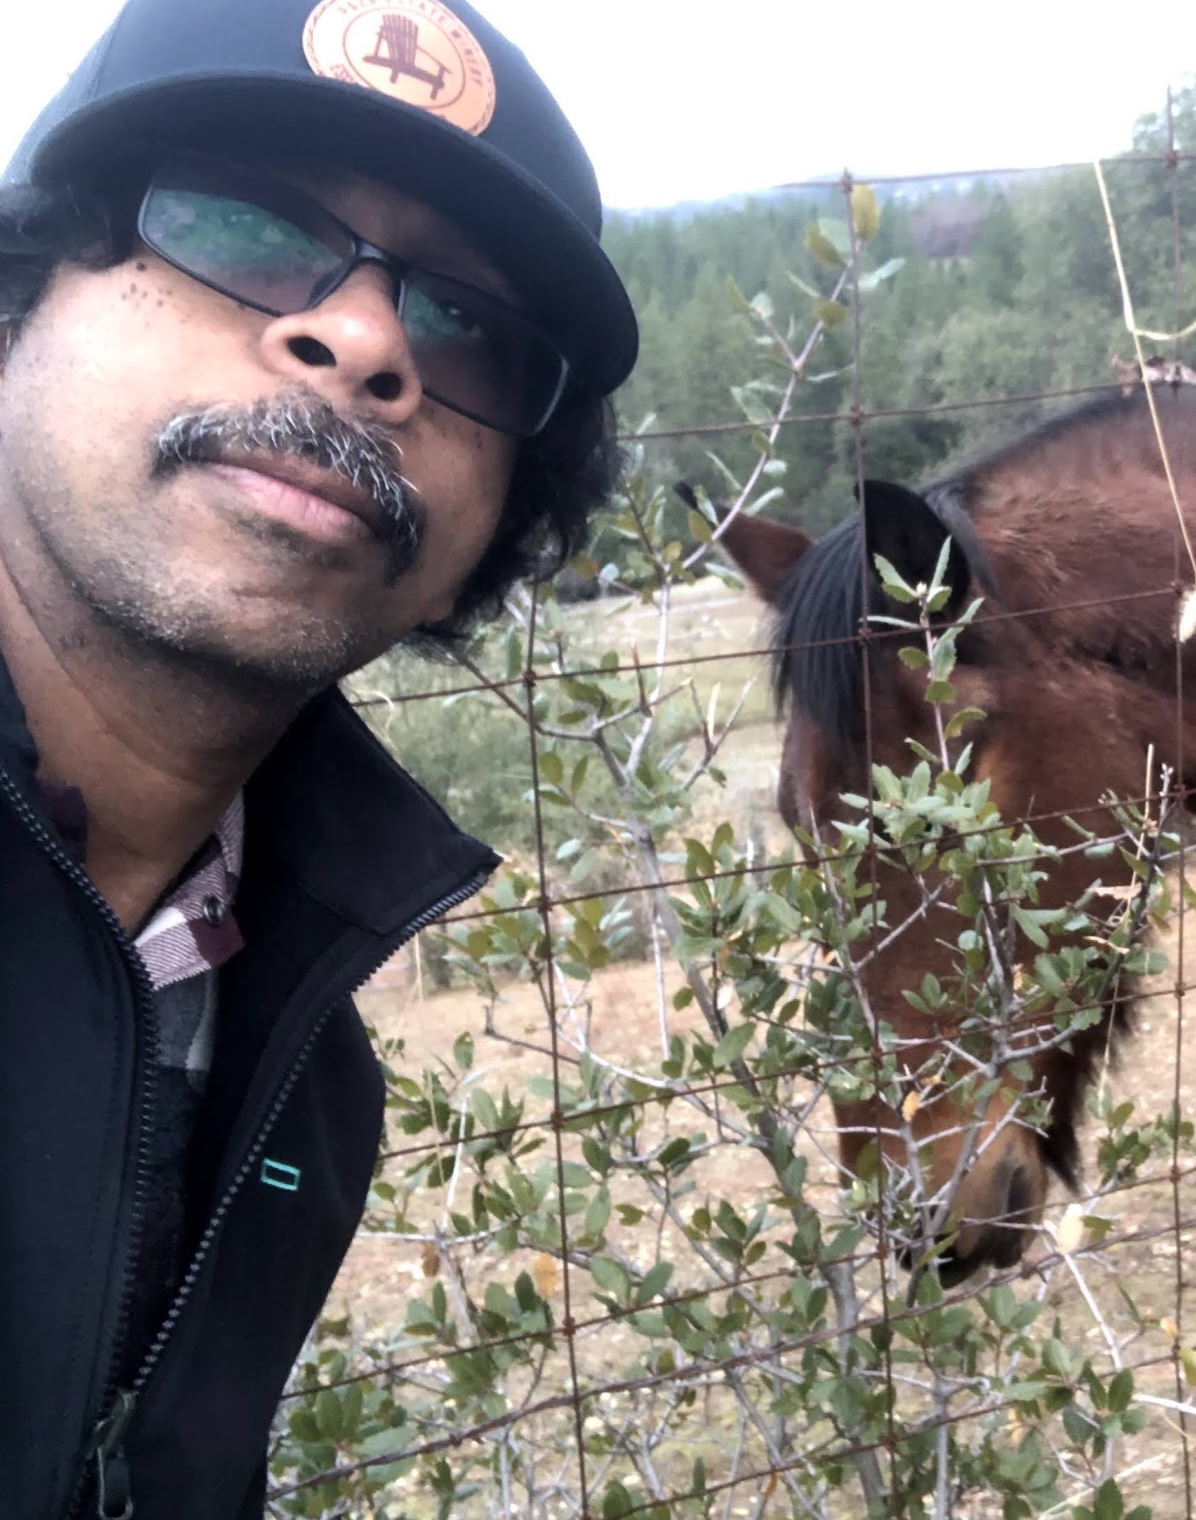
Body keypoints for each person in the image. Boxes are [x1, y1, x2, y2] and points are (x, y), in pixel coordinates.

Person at [0, 1, 637, 1513]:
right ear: (21, 299)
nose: (366, 341)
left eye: (470, 327)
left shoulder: (303, 1086)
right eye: (245, 226)